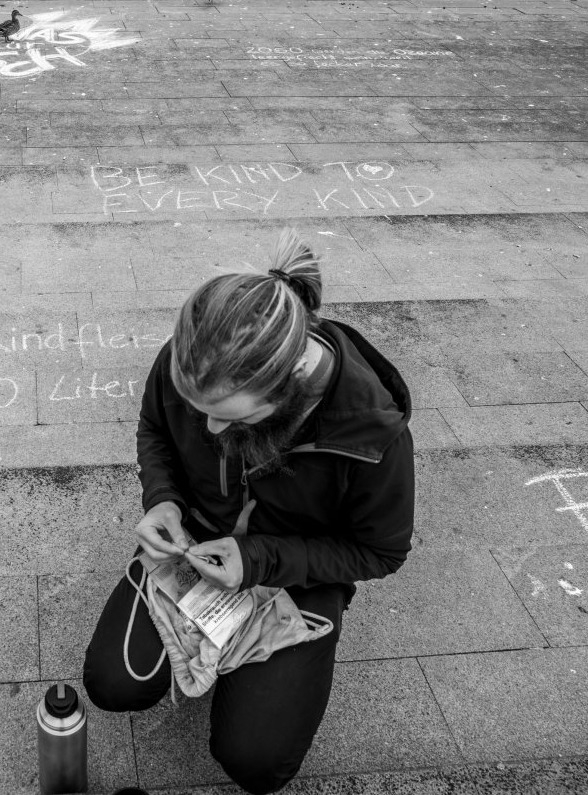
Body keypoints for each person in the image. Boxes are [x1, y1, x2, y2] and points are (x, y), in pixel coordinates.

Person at [82, 230, 416, 794]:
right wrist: (163, 499)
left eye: (230, 419)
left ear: (288, 388)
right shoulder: (191, 362)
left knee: (256, 762)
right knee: (114, 684)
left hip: (297, 572)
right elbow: (156, 430)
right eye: (200, 411)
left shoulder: (370, 433)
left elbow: (380, 552)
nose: (209, 428)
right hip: (198, 542)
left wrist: (258, 557)